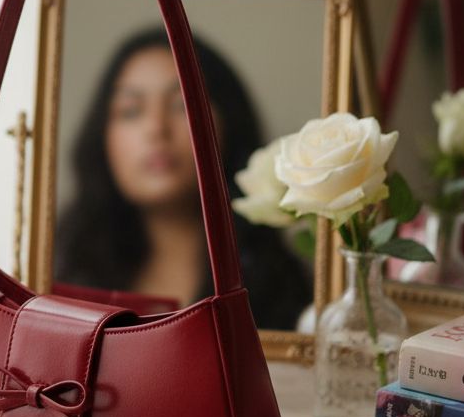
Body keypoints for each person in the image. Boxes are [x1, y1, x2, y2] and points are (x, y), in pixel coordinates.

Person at [54, 26, 312, 332]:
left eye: (182, 105)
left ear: (228, 123)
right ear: (101, 138)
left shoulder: (285, 289)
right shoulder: (59, 275)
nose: (156, 128)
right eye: (131, 111)